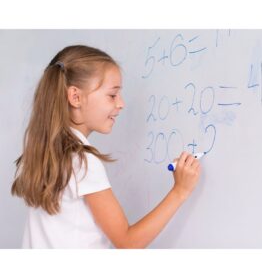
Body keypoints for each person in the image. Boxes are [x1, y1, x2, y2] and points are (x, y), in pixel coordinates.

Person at [11, 45, 201, 249]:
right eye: (112, 95)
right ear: (75, 97)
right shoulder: (83, 162)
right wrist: (180, 191)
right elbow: (128, 242)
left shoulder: (43, 154)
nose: (121, 104)